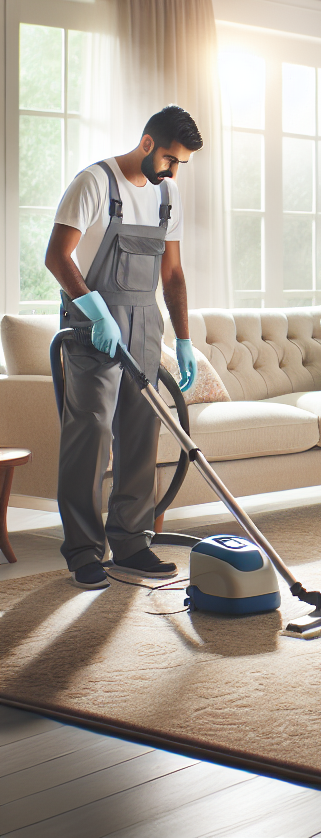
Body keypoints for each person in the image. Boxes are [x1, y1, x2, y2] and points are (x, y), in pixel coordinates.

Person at [44, 105, 202, 589]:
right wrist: (95, 311)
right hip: (93, 324)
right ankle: (84, 552)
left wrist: (183, 337)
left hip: (145, 322)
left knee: (140, 433)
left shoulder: (166, 196)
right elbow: (56, 256)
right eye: (170, 160)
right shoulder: (94, 183)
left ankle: (132, 543)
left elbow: (171, 274)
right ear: (148, 143)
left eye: (181, 166)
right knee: (90, 433)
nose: (173, 172)